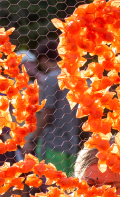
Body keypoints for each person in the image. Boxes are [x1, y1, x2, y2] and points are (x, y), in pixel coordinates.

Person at [21, 39, 80, 175]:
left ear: (43, 58)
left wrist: (32, 139)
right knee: (68, 187)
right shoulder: (74, 79)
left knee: (51, 185)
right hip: (72, 143)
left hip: (52, 143)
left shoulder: (50, 79)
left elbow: (47, 112)